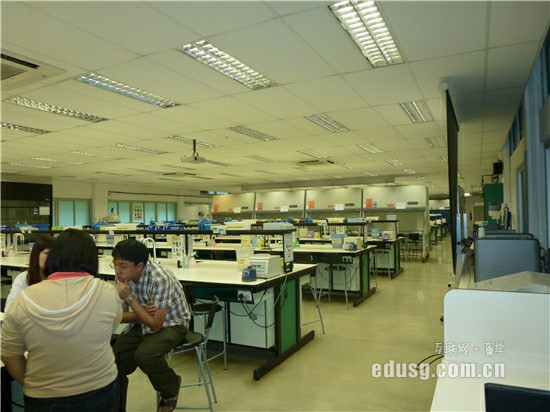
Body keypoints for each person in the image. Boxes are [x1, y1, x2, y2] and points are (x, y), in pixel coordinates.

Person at [1, 229, 122, 411]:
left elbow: (9, 354)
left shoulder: (23, 299)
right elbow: (109, 330)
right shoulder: (107, 291)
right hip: (99, 388)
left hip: (44, 398)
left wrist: (36, 383)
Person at [111, 238, 191, 412]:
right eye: (115, 265)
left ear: (140, 265)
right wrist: (142, 312)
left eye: (122, 266)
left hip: (172, 324)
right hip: (141, 323)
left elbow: (155, 325)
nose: (117, 271)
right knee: (113, 363)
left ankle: (170, 387)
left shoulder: (160, 278)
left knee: (145, 355)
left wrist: (130, 299)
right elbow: (120, 316)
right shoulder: (122, 278)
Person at [4, 235, 55, 312]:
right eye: (47, 253)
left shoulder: (60, 278)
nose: (51, 257)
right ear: (36, 254)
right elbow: (10, 308)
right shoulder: (24, 278)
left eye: (54, 254)